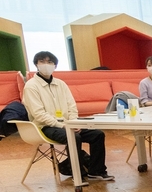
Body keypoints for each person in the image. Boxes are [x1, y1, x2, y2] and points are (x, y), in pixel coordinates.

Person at [22, 50, 113, 181]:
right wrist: (63, 126)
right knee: (73, 137)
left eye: (49, 62)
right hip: (45, 127)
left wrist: (73, 123)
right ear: (36, 64)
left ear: (55, 65)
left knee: (97, 134)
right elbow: (39, 114)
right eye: (42, 61)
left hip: (68, 124)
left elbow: (72, 106)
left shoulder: (61, 84)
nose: (46, 64)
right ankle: (78, 174)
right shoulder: (31, 86)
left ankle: (96, 171)